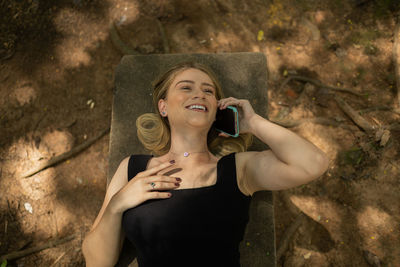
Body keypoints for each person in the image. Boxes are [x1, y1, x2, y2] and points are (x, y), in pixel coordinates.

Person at [82, 62, 329, 267]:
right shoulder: (132, 168)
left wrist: (253, 123)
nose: (199, 94)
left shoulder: (237, 170)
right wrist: (117, 204)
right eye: (186, 87)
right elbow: (96, 262)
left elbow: (313, 163)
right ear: (163, 106)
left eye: (208, 91)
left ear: (216, 112)